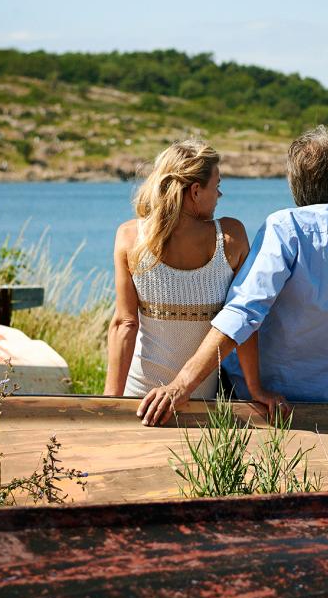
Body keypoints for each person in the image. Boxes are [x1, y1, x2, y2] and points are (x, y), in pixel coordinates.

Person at [136, 126, 328, 430]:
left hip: (248, 396)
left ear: (293, 184)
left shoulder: (285, 228)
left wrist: (181, 384)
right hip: (322, 397)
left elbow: (242, 314)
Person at [104, 139, 282, 414]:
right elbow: (243, 320)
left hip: (138, 399)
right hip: (200, 403)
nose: (219, 195)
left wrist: (110, 401)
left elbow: (124, 324)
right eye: (217, 186)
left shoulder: (129, 237)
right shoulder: (231, 237)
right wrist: (255, 388)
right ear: (196, 191)